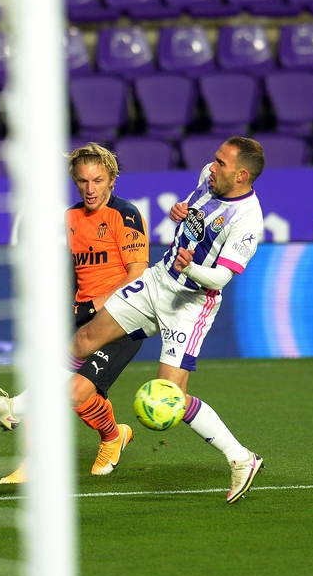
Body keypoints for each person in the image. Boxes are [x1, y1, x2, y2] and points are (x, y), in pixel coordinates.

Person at [70, 137, 265, 503]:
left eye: (221, 163)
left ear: (241, 175)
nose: (212, 165)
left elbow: (222, 278)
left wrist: (190, 265)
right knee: (84, 339)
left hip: (191, 303)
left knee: (170, 398)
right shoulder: (209, 177)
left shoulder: (248, 221)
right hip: (159, 279)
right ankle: (23, 405)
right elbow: (194, 212)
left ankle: (241, 458)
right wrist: (182, 212)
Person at [0, 143, 148, 483]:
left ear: (112, 180)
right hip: (81, 316)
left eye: (98, 180)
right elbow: (76, 267)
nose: (90, 188)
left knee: (75, 392)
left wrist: (96, 304)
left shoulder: (125, 215)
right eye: (83, 181)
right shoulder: (71, 217)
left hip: (125, 319)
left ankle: (109, 436)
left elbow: (138, 273)